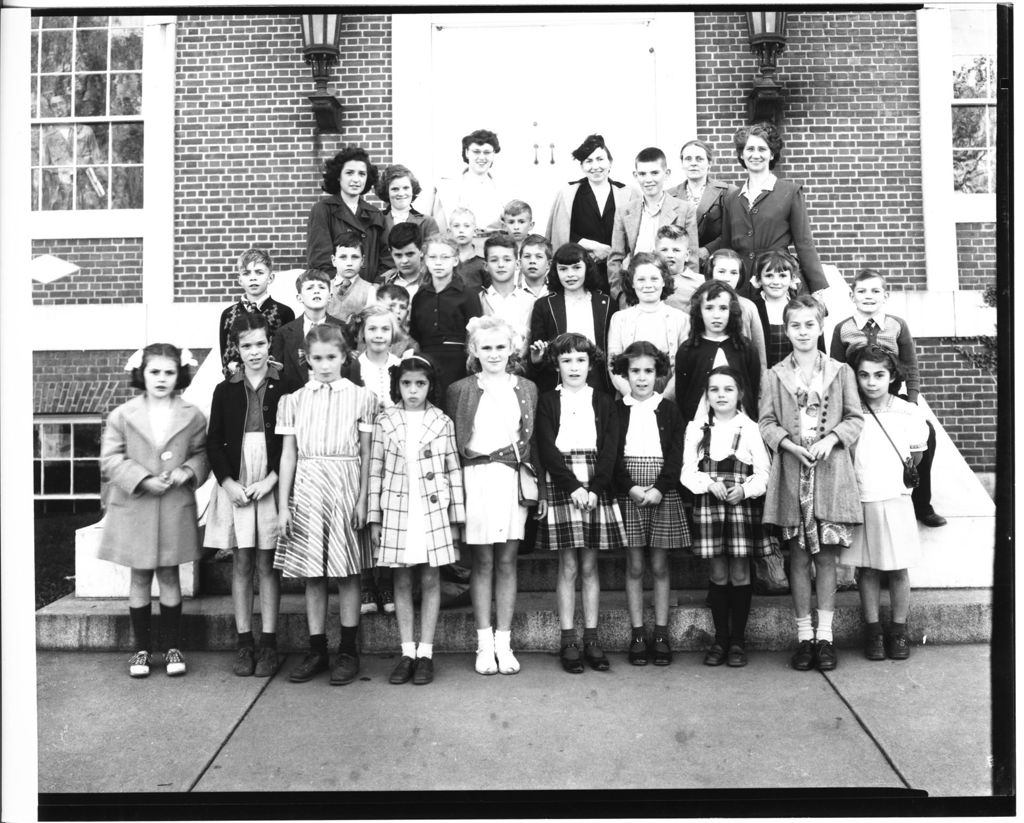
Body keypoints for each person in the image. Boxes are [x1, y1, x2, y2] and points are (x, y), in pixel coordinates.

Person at [759, 295, 864, 673]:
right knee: (799, 558)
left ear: (820, 327)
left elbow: (855, 418)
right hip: (792, 472)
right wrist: (789, 445)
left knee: (826, 558)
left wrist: (830, 439)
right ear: (786, 330)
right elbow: (767, 423)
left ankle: (825, 637)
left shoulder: (840, 372)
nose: (803, 332)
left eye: (809, 325)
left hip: (829, 471)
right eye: (795, 325)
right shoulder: (775, 374)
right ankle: (803, 637)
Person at [274, 324, 378, 685]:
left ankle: (348, 650)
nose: (324, 365)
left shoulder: (362, 398)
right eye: (317, 358)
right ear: (306, 359)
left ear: (344, 357)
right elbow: (288, 456)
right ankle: (317, 649)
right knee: (313, 574)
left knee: (348, 572)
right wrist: (284, 505)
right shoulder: (293, 401)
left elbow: (367, 454)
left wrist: (364, 499)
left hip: (346, 483)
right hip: (308, 486)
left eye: (331, 357)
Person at [97, 344, 209, 678]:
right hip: (137, 505)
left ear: (180, 375)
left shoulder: (192, 414)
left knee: (171, 574)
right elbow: (111, 459)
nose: (162, 379)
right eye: (155, 372)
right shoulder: (124, 414)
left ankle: (173, 647)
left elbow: (202, 454)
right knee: (141, 575)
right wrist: (142, 478)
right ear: (141, 374)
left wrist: (186, 471)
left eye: (169, 372)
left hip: (173, 505)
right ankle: (141, 650)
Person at [447, 316, 540, 675]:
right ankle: (483, 644)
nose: (494, 353)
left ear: (512, 349)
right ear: (473, 350)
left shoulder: (526, 388)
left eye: (501, 347)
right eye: (486, 347)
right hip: (474, 478)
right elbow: (453, 444)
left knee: (507, 561)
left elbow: (530, 444)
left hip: (511, 479)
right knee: (482, 562)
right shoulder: (460, 389)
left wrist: (538, 488)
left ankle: (505, 641)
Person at [369, 353, 466, 685]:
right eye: (406, 384)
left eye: (420, 384)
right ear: (398, 385)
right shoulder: (386, 421)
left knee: (430, 579)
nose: (413, 391)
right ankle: (406, 651)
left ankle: (426, 653)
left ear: (430, 386)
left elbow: (454, 471)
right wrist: (374, 518)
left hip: (432, 511)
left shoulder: (442, 421)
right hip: (397, 510)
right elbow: (375, 471)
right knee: (401, 580)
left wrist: (456, 519)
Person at [535, 333, 625, 674]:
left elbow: (610, 450)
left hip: (595, 485)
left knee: (590, 566)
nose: (574, 367)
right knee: (568, 566)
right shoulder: (548, 401)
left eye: (581, 360)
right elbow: (546, 447)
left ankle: (591, 637)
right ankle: (568, 638)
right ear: (556, 365)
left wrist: (595, 488)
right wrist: (572, 487)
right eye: (566, 360)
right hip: (563, 481)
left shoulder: (604, 401)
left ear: (592, 363)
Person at [829, 268, 944, 528]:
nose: (868, 296)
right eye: (862, 291)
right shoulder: (843, 329)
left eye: (875, 291)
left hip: (892, 396)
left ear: (886, 295)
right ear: (852, 295)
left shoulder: (897, 325)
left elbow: (910, 366)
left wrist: (912, 404)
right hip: (856, 399)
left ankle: (921, 503)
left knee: (926, 434)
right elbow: (836, 371)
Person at [205, 314, 285, 677]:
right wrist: (227, 482)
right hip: (237, 480)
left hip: (269, 479)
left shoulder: (285, 385)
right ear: (236, 348)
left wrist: (273, 479)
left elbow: (290, 441)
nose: (254, 352)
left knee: (267, 564)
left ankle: (269, 643)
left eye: (260, 344)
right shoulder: (225, 389)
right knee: (242, 561)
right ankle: (244, 642)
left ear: (270, 344)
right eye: (247, 346)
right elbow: (214, 442)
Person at [681, 367, 772, 668]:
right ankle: (720, 639)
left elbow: (764, 475)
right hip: (710, 507)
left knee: (740, 573)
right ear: (706, 395)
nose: (721, 395)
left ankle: (738, 641)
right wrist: (709, 484)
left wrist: (744, 491)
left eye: (728, 389)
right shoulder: (697, 429)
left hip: (740, 509)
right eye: (715, 389)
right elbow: (687, 472)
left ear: (740, 394)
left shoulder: (750, 429)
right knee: (718, 574)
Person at [841, 345, 926, 661]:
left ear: (892, 377)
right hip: (864, 496)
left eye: (879, 375)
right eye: (863, 375)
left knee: (898, 568)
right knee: (867, 569)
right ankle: (873, 631)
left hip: (895, 497)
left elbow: (915, 455)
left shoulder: (907, 412)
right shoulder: (851, 412)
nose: (871, 382)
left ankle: (899, 631)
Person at [611, 342, 690, 667]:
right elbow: (611, 454)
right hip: (630, 487)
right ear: (624, 374)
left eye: (648, 371)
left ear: (658, 373)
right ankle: (638, 633)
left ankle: (660, 632)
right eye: (635, 371)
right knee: (634, 566)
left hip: (661, 489)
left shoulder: (668, 409)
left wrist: (660, 487)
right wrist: (628, 487)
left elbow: (676, 455)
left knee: (659, 565)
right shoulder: (616, 409)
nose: (642, 378)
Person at [719, 123, 828, 294]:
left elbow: (804, 243)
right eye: (750, 149)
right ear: (742, 154)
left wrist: (818, 287)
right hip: (742, 284)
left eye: (762, 149)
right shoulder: (732, 198)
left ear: (772, 155)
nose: (756, 155)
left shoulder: (790, 192)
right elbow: (726, 247)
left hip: (778, 277)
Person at [352, 305, 403, 615]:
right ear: (362, 333)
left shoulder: (401, 364)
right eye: (372, 329)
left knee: (388, 509)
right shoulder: (354, 367)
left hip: (393, 446)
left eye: (385, 329)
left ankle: (387, 578)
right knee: (364, 508)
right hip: (361, 445)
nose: (379, 335)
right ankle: (366, 580)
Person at [607, 146, 699, 306]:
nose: (648, 179)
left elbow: (691, 258)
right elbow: (615, 258)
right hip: (635, 293)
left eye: (655, 173)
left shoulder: (685, 209)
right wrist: (621, 294)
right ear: (635, 175)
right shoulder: (624, 212)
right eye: (642, 174)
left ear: (667, 174)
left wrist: (685, 294)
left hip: (673, 294)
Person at [547, 134, 633, 295]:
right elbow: (560, 233)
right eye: (589, 161)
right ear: (582, 166)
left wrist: (611, 252)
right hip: (581, 273)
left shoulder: (628, 194)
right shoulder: (568, 195)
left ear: (610, 162)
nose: (595, 166)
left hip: (618, 273)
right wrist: (594, 247)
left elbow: (634, 235)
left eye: (600, 159)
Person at [527, 242, 615, 394]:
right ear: (555, 271)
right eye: (563, 269)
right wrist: (537, 357)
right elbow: (536, 357)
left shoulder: (606, 303)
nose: (570, 275)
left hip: (597, 381)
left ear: (587, 268)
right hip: (558, 381)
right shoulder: (544, 305)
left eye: (576, 267)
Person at [673, 279, 761, 429]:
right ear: (699, 312)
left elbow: (753, 387)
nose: (716, 315)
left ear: (731, 311)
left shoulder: (744, 347)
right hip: (700, 425)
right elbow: (682, 394)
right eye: (709, 308)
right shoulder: (688, 349)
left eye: (723, 308)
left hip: (739, 426)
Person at [409, 234, 483, 403]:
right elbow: (415, 333)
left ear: (455, 261)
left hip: (459, 362)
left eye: (445, 257)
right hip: (426, 361)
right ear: (425, 261)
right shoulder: (420, 296)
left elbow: (476, 335)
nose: (438, 262)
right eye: (433, 257)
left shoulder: (468, 294)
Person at [606, 253, 689, 400]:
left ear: (664, 281)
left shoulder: (681, 319)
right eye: (641, 279)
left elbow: (684, 368)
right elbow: (614, 367)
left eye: (654, 278)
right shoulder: (619, 319)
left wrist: (663, 400)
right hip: (629, 395)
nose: (648, 285)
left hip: (669, 396)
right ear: (632, 283)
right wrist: (632, 398)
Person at [306, 146, 392, 281]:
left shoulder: (375, 214)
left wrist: (376, 286)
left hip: (370, 292)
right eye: (350, 173)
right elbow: (319, 260)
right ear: (338, 176)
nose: (356, 179)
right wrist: (343, 287)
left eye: (362, 174)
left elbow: (387, 259)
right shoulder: (323, 210)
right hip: (336, 292)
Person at [218, 247, 295, 377]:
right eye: (247, 273)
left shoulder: (284, 313)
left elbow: (287, 357)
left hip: (272, 384)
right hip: (238, 384)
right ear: (240, 280)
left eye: (259, 272)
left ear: (270, 278)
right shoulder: (228, 314)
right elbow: (225, 358)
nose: (253, 278)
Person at [269, 270, 346, 391]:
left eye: (321, 287)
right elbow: (278, 374)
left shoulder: (344, 329)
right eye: (309, 288)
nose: (316, 291)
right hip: (296, 400)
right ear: (299, 298)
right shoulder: (284, 332)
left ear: (330, 296)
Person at [747, 250, 823, 369]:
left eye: (782, 276)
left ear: (792, 279)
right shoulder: (752, 309)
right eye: (769, 276)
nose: (776, 282)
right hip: (765, 377)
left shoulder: (804, 308)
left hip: (798, 376)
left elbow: (819, 348)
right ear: (759, 280)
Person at [666, 139, 733, 269]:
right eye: (688, 159)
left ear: (709, 163)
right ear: (682, 163)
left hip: (715, 263)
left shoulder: (726, 192)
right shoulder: (669, 195)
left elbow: (730, 231)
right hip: (680, 265)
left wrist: (707, 250)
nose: (693, 163)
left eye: (699, 159)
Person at [433, 129, 505, 247]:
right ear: (467, 153)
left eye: (487, 152)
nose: (482, 157)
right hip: (459, 248)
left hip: (492, 249)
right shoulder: (448, 186)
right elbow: (439, 225)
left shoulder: (502, 187)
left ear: (493, 154)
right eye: (476, 151)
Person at [705, 248, 767, 371]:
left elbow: (759, 354)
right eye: (721, 271)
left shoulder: (748, 307)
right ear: (711, 272)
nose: (727, 278)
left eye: (733, 273)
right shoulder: (700, 305)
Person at [40, 92, 102, 210]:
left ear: (68, 105)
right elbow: (45, 168)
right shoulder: (47, 137)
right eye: (54, 105)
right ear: (51, 110)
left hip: (87, 190)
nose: (58, 108)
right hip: (62, 192)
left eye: (61, 103)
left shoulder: (86, 131)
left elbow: (98, 162)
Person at [479, 232, 536, 356]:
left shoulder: (530, 301)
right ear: (486, 265)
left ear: (517, 264)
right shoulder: (479, 300)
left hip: (522, 369)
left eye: (507, 259)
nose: (501, 265)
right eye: (494, 260)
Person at [376, 162, 440, 239]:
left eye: (406, 188)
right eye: (395, 189)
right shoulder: (377, 220)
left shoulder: (427, 222)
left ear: (412, 190)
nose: (401, 193)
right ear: (386, 192)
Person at [326, 231, 377, 324]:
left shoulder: (370, 290)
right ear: (334, 260)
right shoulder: (325, 288)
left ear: (362, 260)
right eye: (343, 257)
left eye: (355, 257)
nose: (349, 263)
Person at [657, 224, 704, 313]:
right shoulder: (649, 281)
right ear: (655, 253)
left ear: (687, 255)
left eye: (676, 250)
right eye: (664, 250)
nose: (670, 255)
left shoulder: (700, 283)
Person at [377, 222, 426, 303]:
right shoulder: (383, 281)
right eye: (398, 255)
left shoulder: (434, 278)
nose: (404, 261)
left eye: (410, 254)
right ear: (390, 253)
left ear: (421, 250)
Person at [449, 207, 489, 291]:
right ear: (449, 231)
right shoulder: (446, 258)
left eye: (466, 226)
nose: (461, 230)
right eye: (456, 226)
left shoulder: (482, 260)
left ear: (475, 230)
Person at [375, 283, 418, 356]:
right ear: (377, 308)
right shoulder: (362, 331)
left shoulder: (410, 345)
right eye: (391, 305)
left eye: (403, 307)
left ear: (407, 314)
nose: (398, 311)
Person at [518, 234, 552, 299]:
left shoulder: (557, 291)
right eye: (527, 256)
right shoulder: (511, 291)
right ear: (520, 263)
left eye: (539, 257)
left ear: (549, 264)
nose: (532, 261)